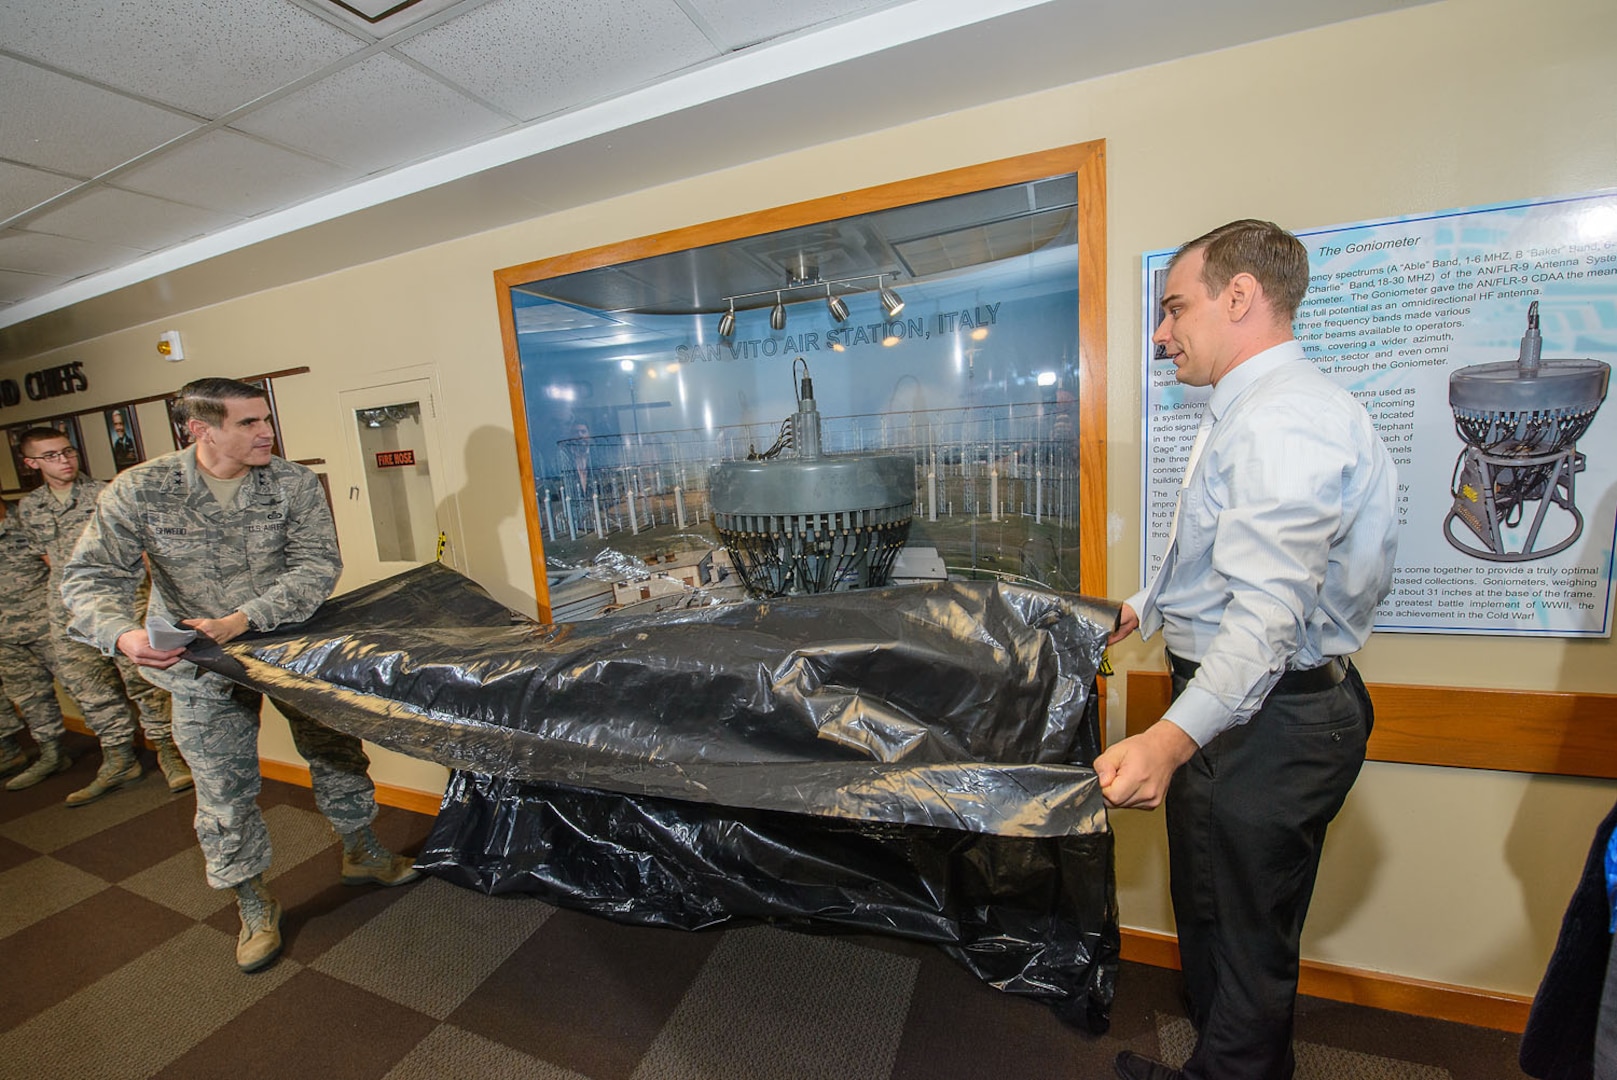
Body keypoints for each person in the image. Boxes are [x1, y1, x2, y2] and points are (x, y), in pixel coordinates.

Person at [1096, 220, 1398, 1080]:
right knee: (1214, 917)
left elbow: (1267, 619)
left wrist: (1166, 738)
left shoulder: (1284, 421)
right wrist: (1143, 608)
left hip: (1269, 718)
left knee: (1245, 931)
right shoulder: (1255, 407)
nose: (1161, 334)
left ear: (1239, 298)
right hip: (1233, 709)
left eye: (1174, 308)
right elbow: (1218, 555)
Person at [60, 377, 420, 974]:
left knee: (336, 754)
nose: (266, 433)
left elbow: (316, 566)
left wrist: (243, 619)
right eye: (248, 423)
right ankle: (253, 901)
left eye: (266, 419)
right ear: (201, 429)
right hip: (197, 664)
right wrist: (122, 634)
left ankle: (360, 849)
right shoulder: (143, 489)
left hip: (291, 647)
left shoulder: (291, 483)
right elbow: (90, 576)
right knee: (223, 789)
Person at [15, 427, 189, 803]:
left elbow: (146, 556)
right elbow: (51, 562)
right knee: (87, 686)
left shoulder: (106, 495)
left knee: (145, 683)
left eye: (68, 451)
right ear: (31, 463)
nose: (64, 460)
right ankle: (118, 759)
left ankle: (170, 755)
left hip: (126, 606)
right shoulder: (30, 508)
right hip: (70, 613)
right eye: (51, 455)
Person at [0, 495, 72, 787]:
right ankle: (51, 753)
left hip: (47, 625)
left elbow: (59, 568)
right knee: (29, 696)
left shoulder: (28, 518)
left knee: (90, 692)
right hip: (6, 634)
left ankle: (119, 758)